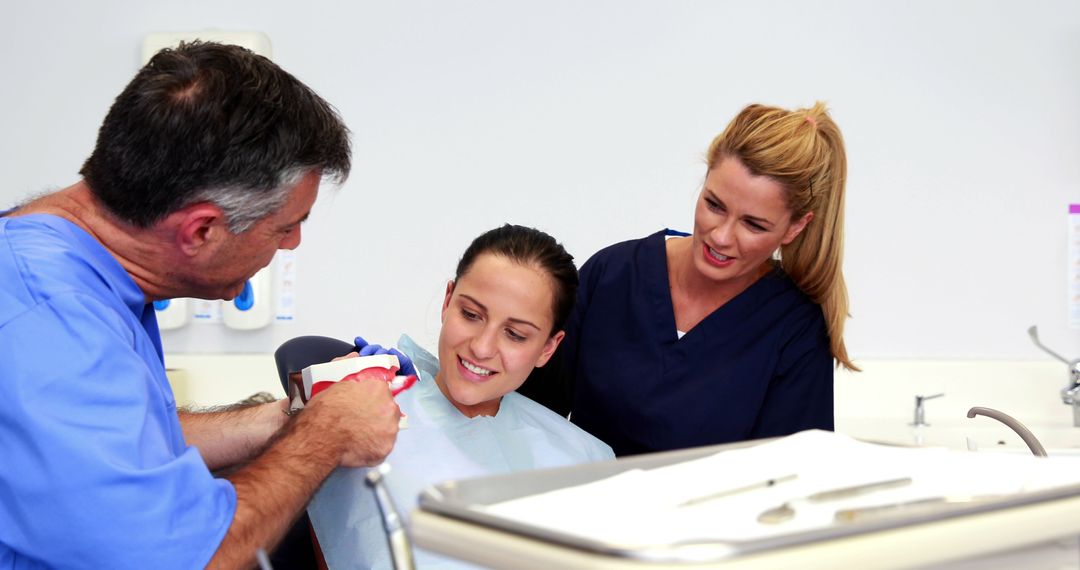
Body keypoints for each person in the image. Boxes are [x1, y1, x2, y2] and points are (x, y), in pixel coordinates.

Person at [0, 42, 404, 569]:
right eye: (285, 227)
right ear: (202, 229)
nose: (292, 245)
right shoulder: (53, 322)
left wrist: (288, 417)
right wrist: (323, 436)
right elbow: (191, 559)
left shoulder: (53, 255)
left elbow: (107, 451)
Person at [519, 102, 857, 457]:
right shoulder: (612, 275)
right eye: (714, 205)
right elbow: (526, 422)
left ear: (796, 227)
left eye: (753, 224)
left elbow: (791, 476)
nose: (722, 236)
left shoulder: (794, 330)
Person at [307, 224, 615, 569]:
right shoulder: (361, 415)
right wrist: (312, 403)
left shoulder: (587, 460)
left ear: (548, 348)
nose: (481, 347)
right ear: (448, 301)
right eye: (470, 315)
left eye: (514, 334)